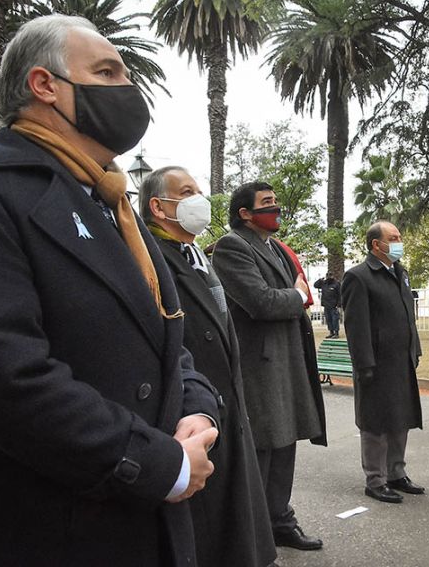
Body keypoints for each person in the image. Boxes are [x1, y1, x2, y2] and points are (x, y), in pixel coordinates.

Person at [0, 15, 222, 566]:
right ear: (45, 85)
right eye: (106, 71)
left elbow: (167, 337)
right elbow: (5, 380)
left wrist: (198, 407)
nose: (129, 89)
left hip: (154, 531)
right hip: (57, 536)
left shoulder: (110, 205)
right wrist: (157, 464)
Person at [141, 167, 277, 567]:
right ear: (158, 207)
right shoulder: (151, 256)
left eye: (199, 190)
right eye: (186, 192)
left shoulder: (196, 254)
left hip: (223, 397)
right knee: (208, 522)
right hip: (193, 407)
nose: (199, 199)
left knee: (234, 515)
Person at [211, 182, 327, 551]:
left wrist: (293, 295)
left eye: (276, 201)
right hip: (260, 366)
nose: (275, 208)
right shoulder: (232, 247)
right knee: (262, 449)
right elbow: (261, 302)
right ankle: (254, 534)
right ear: (245, 213)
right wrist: (296, 294)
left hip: (287, 358)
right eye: (267, 203)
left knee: (285, 443)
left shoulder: (275, 247)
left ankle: (280, 520)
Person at [342, 221, 424, 504]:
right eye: (393, 237)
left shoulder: (400, 273)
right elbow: (356, 326)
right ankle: (375, 480)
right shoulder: (359, 277)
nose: (399, 241)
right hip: (375, 364)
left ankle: (396, 473)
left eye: (399, 236)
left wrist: (415, 348)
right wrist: (364, 364)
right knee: (375, 423)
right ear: (376, 244)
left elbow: (407, 317)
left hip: (401, 360)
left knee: (400, 418)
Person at [313, 273, 342, 338]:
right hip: (326, 305)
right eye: (327, 276)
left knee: (335, 319)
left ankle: (336, 333)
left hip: (334, 306)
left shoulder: (336, 284)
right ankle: (331, 332)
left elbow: (340, 295)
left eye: (330, 275)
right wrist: (320, 280)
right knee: (328, 319)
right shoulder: (324, 283)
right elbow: (315, 285)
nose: (329, 277)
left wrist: (339, 304)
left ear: (333, 276)